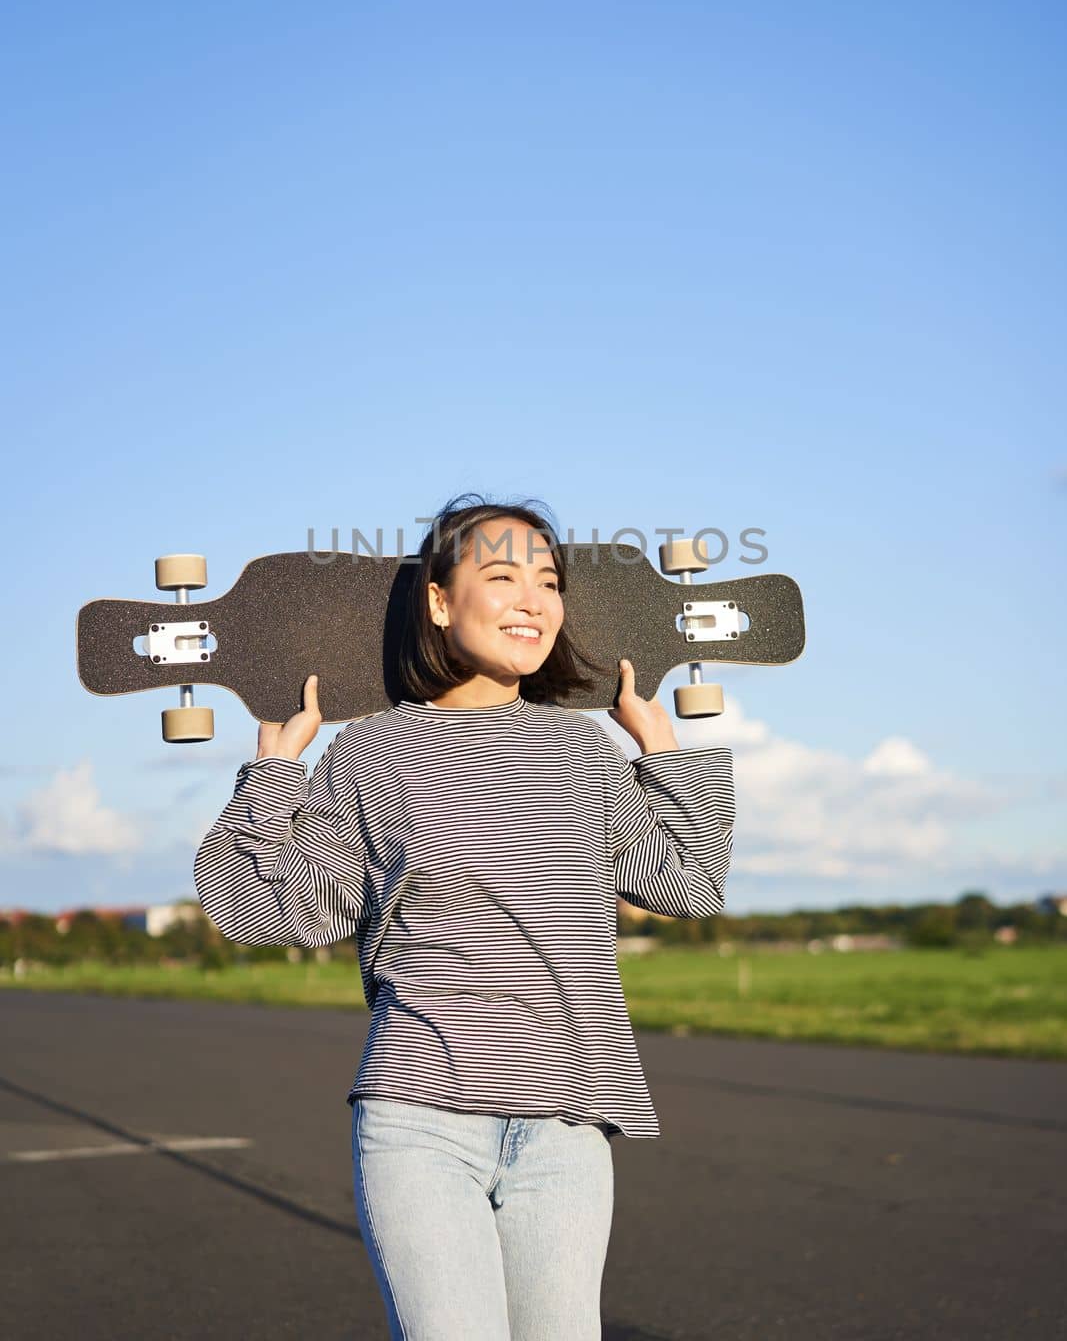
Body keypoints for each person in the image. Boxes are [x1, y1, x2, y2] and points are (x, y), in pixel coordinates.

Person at [194, 492, 736, 1341]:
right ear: (441, 603)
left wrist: (658, 750)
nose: (532, 600)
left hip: (565, 1125)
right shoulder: (374, 748)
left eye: (548, 581)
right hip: (422, 1122)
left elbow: (688, 882)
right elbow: (270, 911)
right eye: (501, 575)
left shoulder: (584, 749)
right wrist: (272, 778)